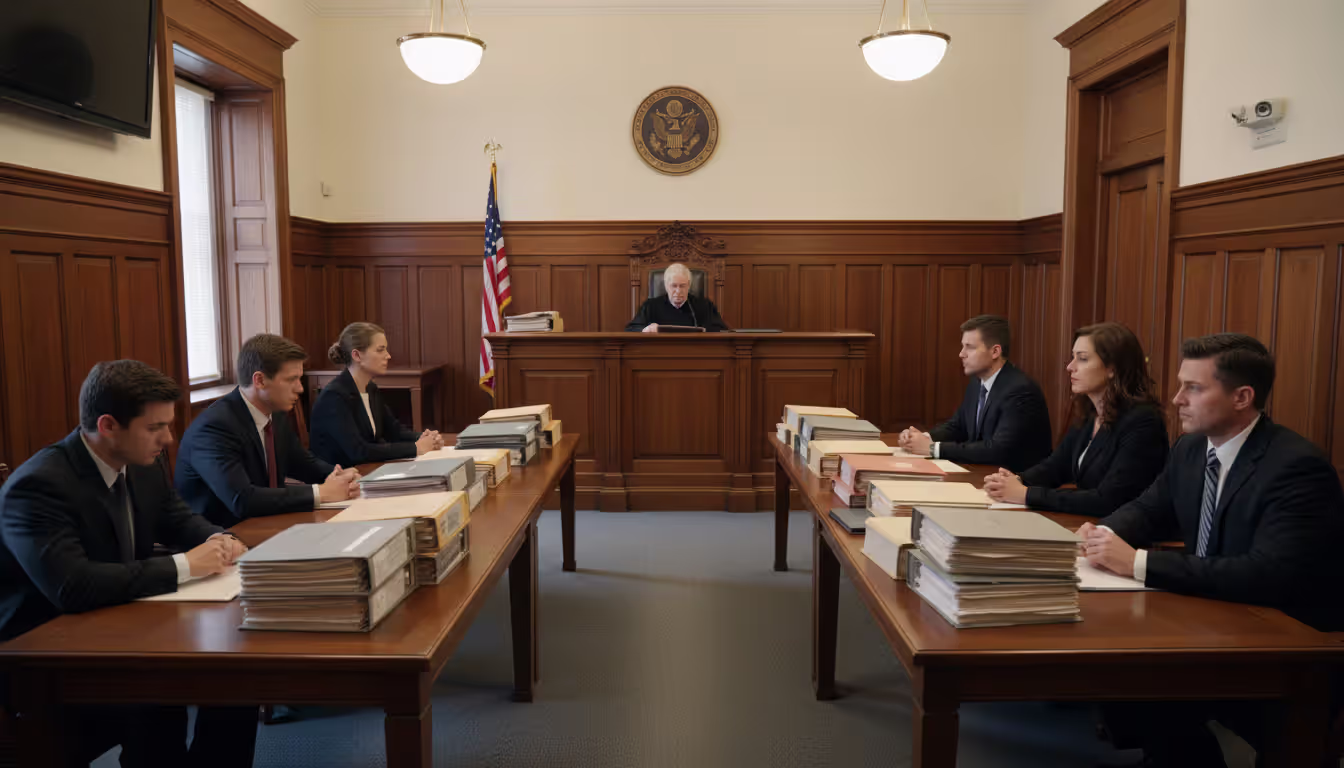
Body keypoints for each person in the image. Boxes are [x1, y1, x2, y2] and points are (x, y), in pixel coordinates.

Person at [1081, 333, 1344, 767]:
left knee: (1145, 676)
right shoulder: (1190, 449)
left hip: (1287, 645)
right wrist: (1094, 536)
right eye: (1181, 384)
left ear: (1242, 397)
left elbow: (1268, 575)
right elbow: (1148, 510)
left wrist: (1138, 562)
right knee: (1120, 670)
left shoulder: (1296, 467)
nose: (1176, 398)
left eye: (1194, 388)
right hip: (1209, 621)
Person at [0, 360, 257, 767]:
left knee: (237, 678)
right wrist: (187, 566)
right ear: (107, 426)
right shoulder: (39, 486)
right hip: (48, 653)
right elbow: (73, 586)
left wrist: (219, 539)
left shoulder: (144, 462)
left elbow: (176, 517)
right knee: (159, 698)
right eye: (155, 428)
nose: (169, 439)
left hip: (124, 623)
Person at [983, 322, 1168, 516]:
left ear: (1112, 368)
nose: (1070, 367)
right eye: (1073, 357)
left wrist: (1027, 494)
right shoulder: (1090, 414)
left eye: (1083, 359)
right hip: (1087, 525)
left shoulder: (1144, 422)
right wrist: (1015, 480)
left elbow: (1109, 500)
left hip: (1117, 537)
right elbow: (1056, 467)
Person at [176, 333, 359, 528]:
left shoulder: (275, 414)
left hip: (269, 522)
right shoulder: (214, 428)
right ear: (260, 380)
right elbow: (242, 499)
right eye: (292, 379)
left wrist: (343, 476)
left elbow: (303, 464)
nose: (300, 389)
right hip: (223, 537)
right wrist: (321, 493)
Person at [897, 314, 1051, 472]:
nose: (961, 354)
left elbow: (998, 450)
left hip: (1016, 483)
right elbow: (958, 426)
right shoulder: (977, 382)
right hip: (983, 474)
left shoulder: (1020, 390)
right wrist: (922, 438)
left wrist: (933, 448)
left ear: (995, 352)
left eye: (969, 347)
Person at [309, 322, 443, 466]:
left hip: (366, 470)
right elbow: (358, 451)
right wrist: (416, 448)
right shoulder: (334, 397)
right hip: (341, 478)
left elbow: (394, 431)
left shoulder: (370, 388)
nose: (388, 356)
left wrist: (424, 438)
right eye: (380, 350)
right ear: (357, 355)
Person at [625, 262, 729, 332]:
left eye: (682, 286)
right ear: (666, 285)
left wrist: (704, 330)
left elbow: (721, 329)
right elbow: (631, 329)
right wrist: (646, 329)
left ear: (689, 285)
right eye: (674, 286)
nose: (678, 291)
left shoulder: (704, 305)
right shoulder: (650, 306)